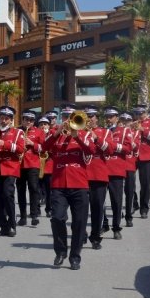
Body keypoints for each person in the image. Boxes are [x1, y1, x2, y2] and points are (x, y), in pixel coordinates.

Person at [43, 108, 97, 270]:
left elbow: (91, 151)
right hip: (59, 184)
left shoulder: (85, 134)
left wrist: (77, 136)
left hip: (79, 184)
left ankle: (75, 256)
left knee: (79, 222)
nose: (68, 120)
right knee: (57, 218)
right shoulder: (56, 135)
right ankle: (60, 252)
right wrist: (58, 132)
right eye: (65, 117)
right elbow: (44, 147)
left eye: (70, 117)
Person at [0, 106, 25, 237]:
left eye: (6, 118)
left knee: (7, 194)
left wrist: (4, 144)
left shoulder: (18, 133)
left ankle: (12, 224)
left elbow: (21, 149)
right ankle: (3, 226)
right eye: (1, 118)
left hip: (10, 167)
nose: (3, 121)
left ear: (11, 120)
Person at [84, 105, 114, 248]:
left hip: (98, 174)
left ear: (96, 118)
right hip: (81, 174)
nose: (89, 119)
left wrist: (96, 138)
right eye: (86, 117)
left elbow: (110, 149)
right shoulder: (77, 132)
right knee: (80, 208)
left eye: (91, 116)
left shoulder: (105, 132)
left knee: (97, 207)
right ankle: (81, 234)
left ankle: (95, 237)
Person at [102, 106, 132, 243]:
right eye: (107, 117)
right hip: (101, 169)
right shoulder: (101, 131)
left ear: (116, 117)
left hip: (116, 169)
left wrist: (114, 147)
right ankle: (104, 224)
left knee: (116, 201)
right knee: (99, 201)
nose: (109, 119)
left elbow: (128, 148)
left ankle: (116, 227)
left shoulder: (124, 131)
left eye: (111, 116)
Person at [17, 110, 45, 226]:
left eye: (31, 120)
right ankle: (23, 216)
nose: (28, 122)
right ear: (22, 120)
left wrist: (33, 144)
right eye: (26, 120)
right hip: (19, 164)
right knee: (20, 191)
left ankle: (34, 215)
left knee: (33, 189)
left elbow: (44, 149)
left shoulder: (39, 132)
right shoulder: (17, 131)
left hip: (33, 164)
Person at [120, 112, 140, 227]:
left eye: (127, 121)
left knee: (129, 191)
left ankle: (128, 216)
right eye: (123, 121)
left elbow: (136, 148)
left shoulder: (135, 133)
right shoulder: (116, 132)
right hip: (117, 165)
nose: (125, 123)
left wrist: (129, 136)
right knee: (116, 193)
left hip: (129, 165)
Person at [37, 116, 54, 218]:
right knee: (36, 190)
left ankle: (49, 209)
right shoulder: (36, 135)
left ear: (49, 125)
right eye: (41, 124)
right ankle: (36, 209)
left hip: (49, 166)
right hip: (37, 166)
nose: (43, 126)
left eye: (45, 124)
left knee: (49, 191)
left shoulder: (52, 135)